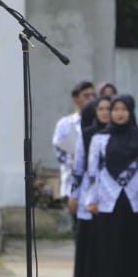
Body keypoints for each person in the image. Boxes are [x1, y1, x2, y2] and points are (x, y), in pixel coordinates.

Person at [83, 95, 138, 277]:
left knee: (135, 243)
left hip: (136, 196)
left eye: (124, 109)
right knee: (111, 243)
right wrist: (92, 198)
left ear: (131, 112)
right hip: (108, 195)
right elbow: (92, 170)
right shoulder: (100, 138)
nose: (119, 113)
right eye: (115, 109)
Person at [70, 96, 110, 277]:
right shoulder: (87, 134)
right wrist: (74, 194)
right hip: (90, 187)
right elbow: (78, 167)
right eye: (100, 109)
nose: (104, 113)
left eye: (108, 109)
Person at [53, 81, 96, 210]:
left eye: (93, 95)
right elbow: (60, 152)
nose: (91, 99)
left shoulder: (99, 122)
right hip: (72, 180)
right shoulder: (65, 124)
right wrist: (75, 159)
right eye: (86, 96)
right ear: (75, 99)